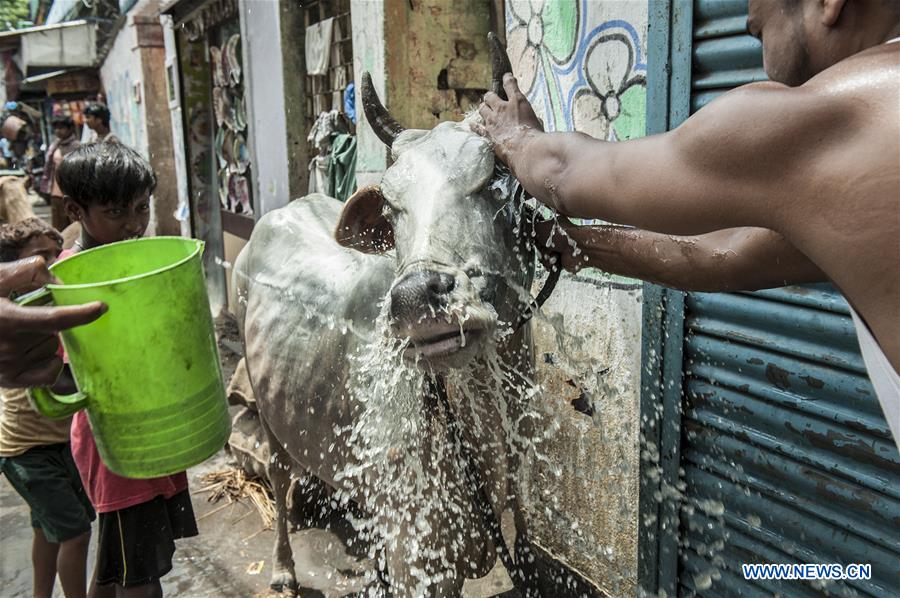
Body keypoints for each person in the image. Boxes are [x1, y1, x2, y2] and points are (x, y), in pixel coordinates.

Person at [477, 0, 900, 444]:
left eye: (757, 20)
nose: (751, 27)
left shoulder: (827, 119)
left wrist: (517, 139)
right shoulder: (850, 172)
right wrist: (577, 243)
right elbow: (726, 255)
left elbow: (564, 174)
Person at [54, 142, 198, 598]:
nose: (135, 225)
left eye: (141, 208)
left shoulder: (132, 265)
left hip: (149, 436)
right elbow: (65, 377)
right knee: (142, 579)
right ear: (77, 210)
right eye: (117, 212)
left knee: (116, 567)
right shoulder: (71, 279)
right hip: (118, 449)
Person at [0, 218, 95, 598]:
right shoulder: (20, 315)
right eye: (39, 257)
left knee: (47, 529)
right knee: (76, 532)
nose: (52, 264)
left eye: (56, 255)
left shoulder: (54, 304)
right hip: (27, 453)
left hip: (59, 445)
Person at [40, 116, 80, 231]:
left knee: (75, 225)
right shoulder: (54, 146)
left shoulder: (76, 146)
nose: (58, 131)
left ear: (70, 129)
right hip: (56, 193)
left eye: (61, 128)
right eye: (56, 128)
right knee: (58, 227)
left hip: (71, 192)